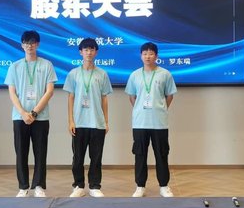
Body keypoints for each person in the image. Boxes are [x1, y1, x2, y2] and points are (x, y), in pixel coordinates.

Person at [4, 30, 57, 197]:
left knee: (40, 153)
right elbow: (12, 93)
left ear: (38, 44)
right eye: (26, 43)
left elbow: (49, 91)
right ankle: (23, 187)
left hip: (40, 117)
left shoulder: (46, 65)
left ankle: (39, 186)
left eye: (33, 42)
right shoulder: (15, 66)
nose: (29, 45)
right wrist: (23, 113)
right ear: (22, 45)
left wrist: (33, 113)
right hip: (19, 117)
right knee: (21, 152)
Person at [125, 41, 177, 197]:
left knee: (162, 154)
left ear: (156, 56)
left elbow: (169, 96)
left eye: (151, 53)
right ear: (141, 56)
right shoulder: (135, 75)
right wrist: (141, 109)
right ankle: (140, 186)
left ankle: (164, 186)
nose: (148, 56)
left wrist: (160, 108)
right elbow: (132, 97)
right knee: (140, 155)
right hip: (140, 122)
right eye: (145, 53)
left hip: (159, 122)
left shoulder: (165, 74)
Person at [63, 38, 113, 197]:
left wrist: (106, 121)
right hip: (79, 122)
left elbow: (104, 99)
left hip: (97, 122)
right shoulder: (73, 74)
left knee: (96, 157)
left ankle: (94, 186)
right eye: (86, 50)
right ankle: (78, 186)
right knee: (78, 157)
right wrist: (71, 120)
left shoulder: (102, 74)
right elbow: (71, 97)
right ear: (80, 52)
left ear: (96, 52)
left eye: (92, 49)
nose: (89, 53)